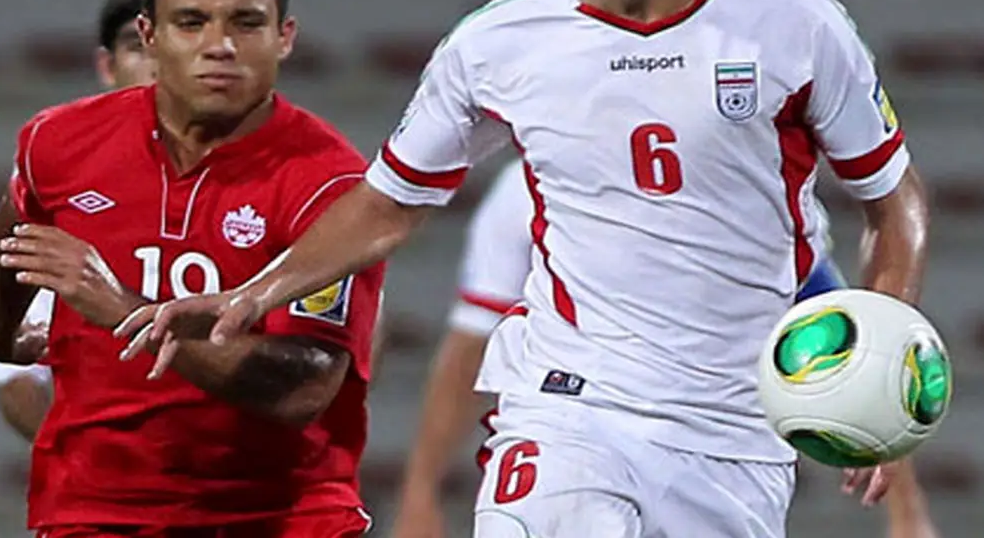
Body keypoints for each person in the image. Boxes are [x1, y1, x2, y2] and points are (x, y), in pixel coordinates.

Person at [122, 0, 932, 537]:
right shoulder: (501, 41)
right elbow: (389, 202)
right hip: (569, 405)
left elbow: (894, 203)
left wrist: (880, 354)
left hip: (733, 430)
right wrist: (253, 294)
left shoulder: (797, 27)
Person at [0, 0, 382, 537]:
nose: (220, 46)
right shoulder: (60, 143)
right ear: (150, 35)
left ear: (285, 37)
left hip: (277, 516)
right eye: (192, 23)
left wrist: (123, 309)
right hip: (96, 513)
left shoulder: (330, 184)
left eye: (246, 23)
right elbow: (12, 240)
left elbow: (302, 389)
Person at [390, 160, 941, 538]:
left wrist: (905, 507)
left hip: (715, 451)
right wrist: (420, 491)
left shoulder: (757, 184)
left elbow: (846, 347)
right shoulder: (527, 192)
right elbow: (471, 341)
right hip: (579, 430)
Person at [0, 0, 156, 443]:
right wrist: (87, 460)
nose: (158, 63)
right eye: (138, 46)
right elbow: (15, 374)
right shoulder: (60, 172)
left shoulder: (280, 174)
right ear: (107, 65)